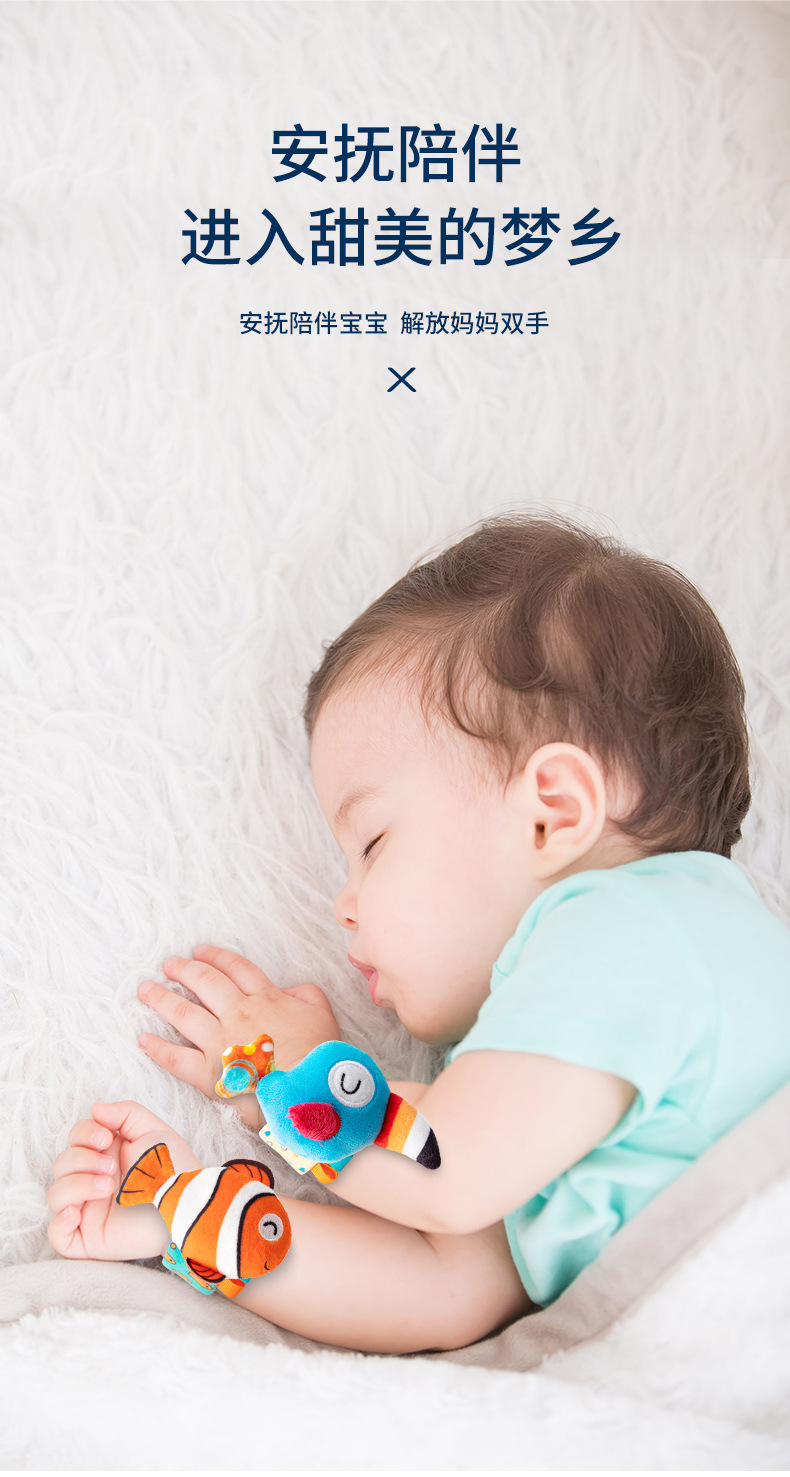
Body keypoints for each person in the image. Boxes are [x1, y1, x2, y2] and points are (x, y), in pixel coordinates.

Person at [46, 515, 790, 1355]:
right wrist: (184, 1208)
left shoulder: (642, 927)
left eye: (371, 843)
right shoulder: (539, 1091)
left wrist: (292, 1074)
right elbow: (442, 1293)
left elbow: (449, 1168)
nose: (344, 904)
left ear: (552, 814)